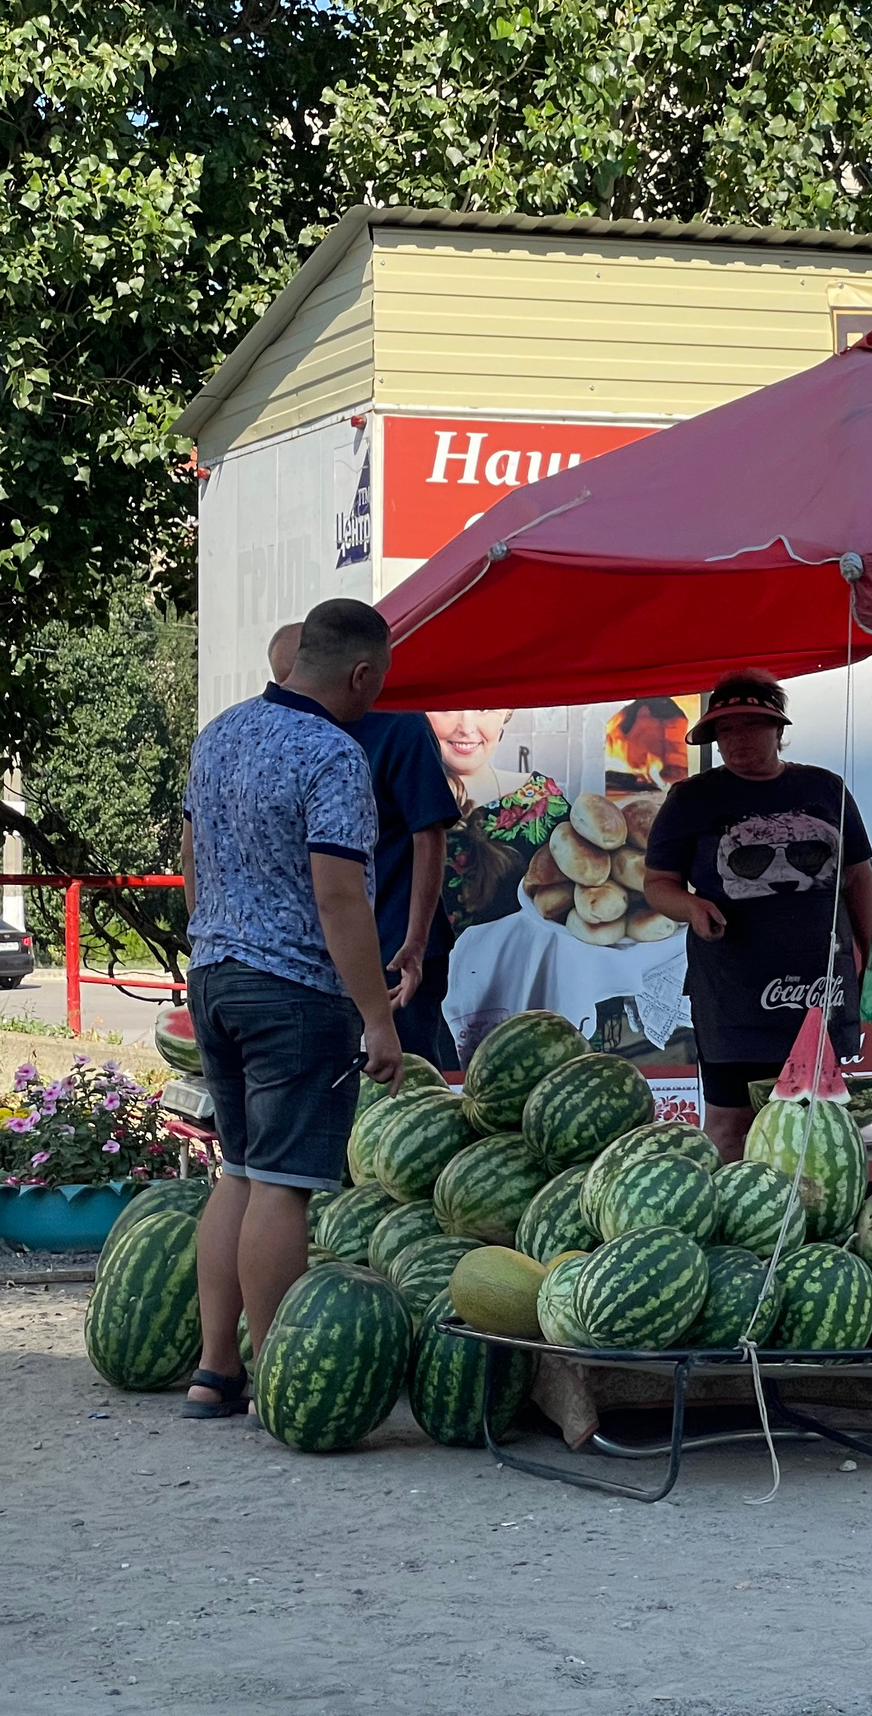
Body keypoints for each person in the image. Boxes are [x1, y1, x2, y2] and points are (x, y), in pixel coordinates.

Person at [178, 599, 401, 1421]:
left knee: (236, 1170)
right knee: (283, 1185)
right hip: (296, 992)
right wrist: (377, 1016)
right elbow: (339, 895)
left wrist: (215, 940)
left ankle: (215, 1370)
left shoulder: (223, 733)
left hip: (216, 976)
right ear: (360, 674)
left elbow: (194, 860)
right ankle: (277, 1373)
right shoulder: (331, 754)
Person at [642, 670, 872, 1162]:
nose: (737, 740)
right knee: (732, 1121)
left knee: (820, 1116)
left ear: (778, 729)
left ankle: (817, 1222)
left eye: (750, 725)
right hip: (733, 990)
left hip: (820, 984)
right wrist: (691, 906)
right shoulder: (692, 800)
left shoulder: (825, 788)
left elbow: (857, 876)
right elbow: (657, 884)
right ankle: (732, 1219)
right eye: (725, 730)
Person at [271, 625, 457, 1065]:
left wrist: (416, 940)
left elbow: (430, 836)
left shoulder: (398, 725)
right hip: (310, 957)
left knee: (405, 1079)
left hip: (391, 948)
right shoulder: (284, 734)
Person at [428, 706, 570, 933]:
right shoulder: (389, 804)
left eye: (484, 708)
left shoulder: (542, 801)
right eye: (447, 708)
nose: (466, 728)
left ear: (507, 712)